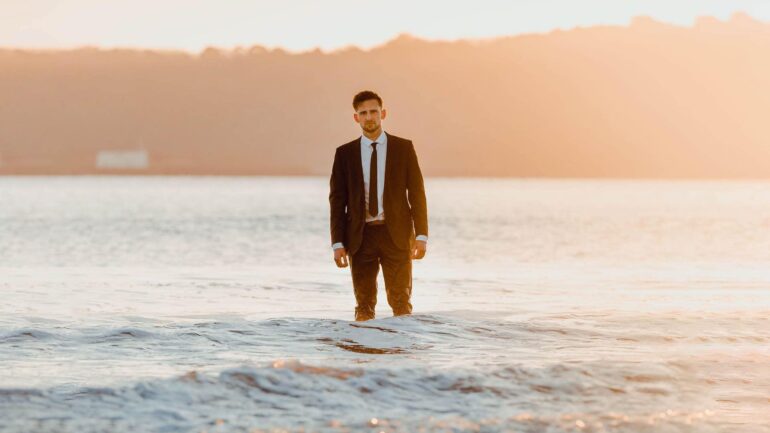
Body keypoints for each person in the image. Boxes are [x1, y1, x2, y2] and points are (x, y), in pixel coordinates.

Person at [329, 90, 429, 321]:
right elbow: (337, 201)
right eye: (363, 113)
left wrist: (422, 235)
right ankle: (365, 354)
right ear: (356, 118)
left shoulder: (403, 148)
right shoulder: (344, 154)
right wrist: (337, 242)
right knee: (363, 306)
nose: (369, 117)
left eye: (373, 111)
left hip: (397, 235)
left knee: (401, 304)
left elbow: (417, 193)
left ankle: (401, 353)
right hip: (360, 237)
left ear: (383, 113)